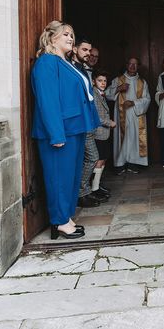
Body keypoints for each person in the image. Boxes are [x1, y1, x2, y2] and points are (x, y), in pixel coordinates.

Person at [31, 21, 100, 240]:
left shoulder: (66, 63)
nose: (71, 38)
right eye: (65, 35)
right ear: (52, 39)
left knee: (70, 176)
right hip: (60, 131)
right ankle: (59, 221)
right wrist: (56, 133)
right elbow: (48, 101)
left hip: (74, 128)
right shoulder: (47, 63)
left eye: (72, 34)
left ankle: (66, 216)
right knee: (59, 177)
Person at [71, 37, 104, 207]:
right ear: (75, 49)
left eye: (90, 52)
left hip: (88, 121)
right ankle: (81, 192)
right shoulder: (71, 68)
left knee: (91, 158)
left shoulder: (84, 70)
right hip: (79, 122)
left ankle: (86, 191)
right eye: (85, 50)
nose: (89, 54)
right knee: (90, 158)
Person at [105, 57, 151, 173]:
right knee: (123, 138)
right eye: (130, 64)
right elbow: (106, 94)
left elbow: (147, 99)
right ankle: (120, 163)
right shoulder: (118, 80)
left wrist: (133, 103)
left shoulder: (142, 82)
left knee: (134, 138)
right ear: (126, 65)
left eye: (135, 64)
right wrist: (119, 88)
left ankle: (133, 163)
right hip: (121, 115)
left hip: (136, 115)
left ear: (138, 66)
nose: (132, 66)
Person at [91, 70, 116, 194]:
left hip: (104, 133)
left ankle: (97, 185)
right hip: (98, 132)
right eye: (100, 80)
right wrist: (109, 122)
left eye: (105, 81)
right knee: (99, 160)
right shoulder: (94, 94)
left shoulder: (101, 94)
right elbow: (95, 115)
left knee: (103, 159)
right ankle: (94, 188)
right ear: (93, 81)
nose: (103, 83)